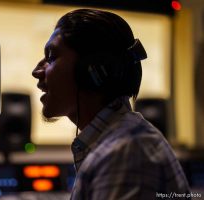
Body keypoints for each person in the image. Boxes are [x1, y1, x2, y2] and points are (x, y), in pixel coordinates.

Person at [32, 8, 190, 200]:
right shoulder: (116, 145)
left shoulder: (127, 153)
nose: (36, 71)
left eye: (51, 57)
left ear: (92, 70)